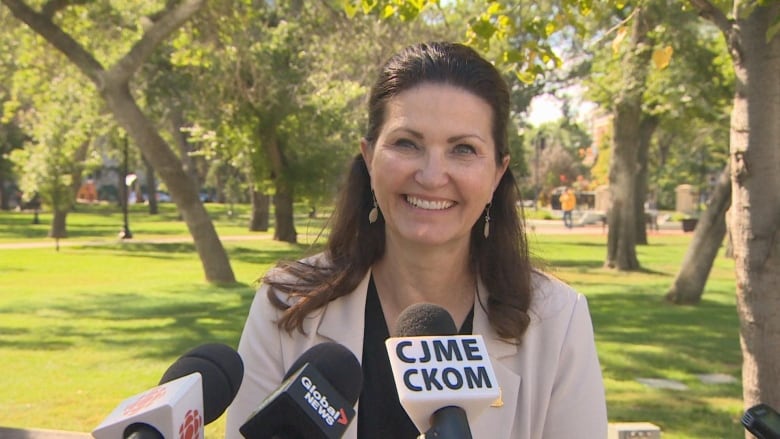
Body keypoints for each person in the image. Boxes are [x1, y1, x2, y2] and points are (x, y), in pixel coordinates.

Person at [225, 42, 607, 439]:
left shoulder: (557, 320)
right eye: (407, 143)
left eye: (463, 149)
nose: (432, 174)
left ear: (497, 173)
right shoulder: (287, 306)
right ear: (369, 157)